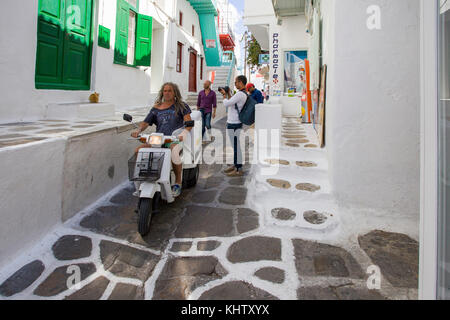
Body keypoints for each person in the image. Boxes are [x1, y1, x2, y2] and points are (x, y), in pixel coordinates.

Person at [131, 82, 193, 198]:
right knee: (138, 151)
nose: (167, 93)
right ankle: (142, 179)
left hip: (173, 139)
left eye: (170, 91)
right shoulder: (156, 107)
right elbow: (146, 122)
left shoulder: (181, 106)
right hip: (158, 140)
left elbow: (188, 122)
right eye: (165, 91)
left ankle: (178, 182)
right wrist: (138, 130)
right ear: (162, 92)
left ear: (175, 92)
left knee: (174, 152)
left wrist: (183, 133)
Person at [221, 75, 248, 177]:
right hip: (235, 122)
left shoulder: (240, 94)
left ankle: (238, 169)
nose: (235, 84)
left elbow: (227, 104)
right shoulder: (242, 94)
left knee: (236, 147)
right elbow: (233, 102)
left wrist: (224, 96)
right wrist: (228, 93)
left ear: (241, 82)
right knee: (235, 146)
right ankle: (236, 165)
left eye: (236, 82)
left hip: (234, 123)